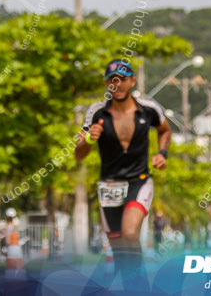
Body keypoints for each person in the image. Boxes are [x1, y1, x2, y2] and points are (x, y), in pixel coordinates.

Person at [75, 59, 171, 292]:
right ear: (107, 83)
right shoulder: (96, 112)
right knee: (119, 250)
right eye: (112, 80)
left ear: (132, 81)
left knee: (130, 233)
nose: (117, 84)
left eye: (122, 79)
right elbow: (79, 155)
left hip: (139, 181)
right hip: (108, 186)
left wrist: (162, 153)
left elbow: (165, 130)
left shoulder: (148, 109)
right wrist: (89, 139)